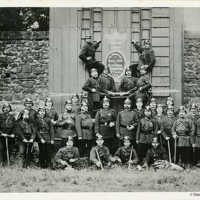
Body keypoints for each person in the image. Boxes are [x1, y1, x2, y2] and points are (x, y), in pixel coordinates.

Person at [16, 102, 36, 168]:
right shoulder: (19, 123)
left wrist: (32, 139)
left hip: (29, 138)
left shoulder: (31, 123)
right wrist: (23, 138)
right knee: (22, 152)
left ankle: (27, 165)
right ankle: (21, 165)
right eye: (25, 114)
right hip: (22, 139)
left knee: (29, 152)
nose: (26, 115)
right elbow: (19, 132)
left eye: (27, 114)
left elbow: (34, 132)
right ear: (22, 115)